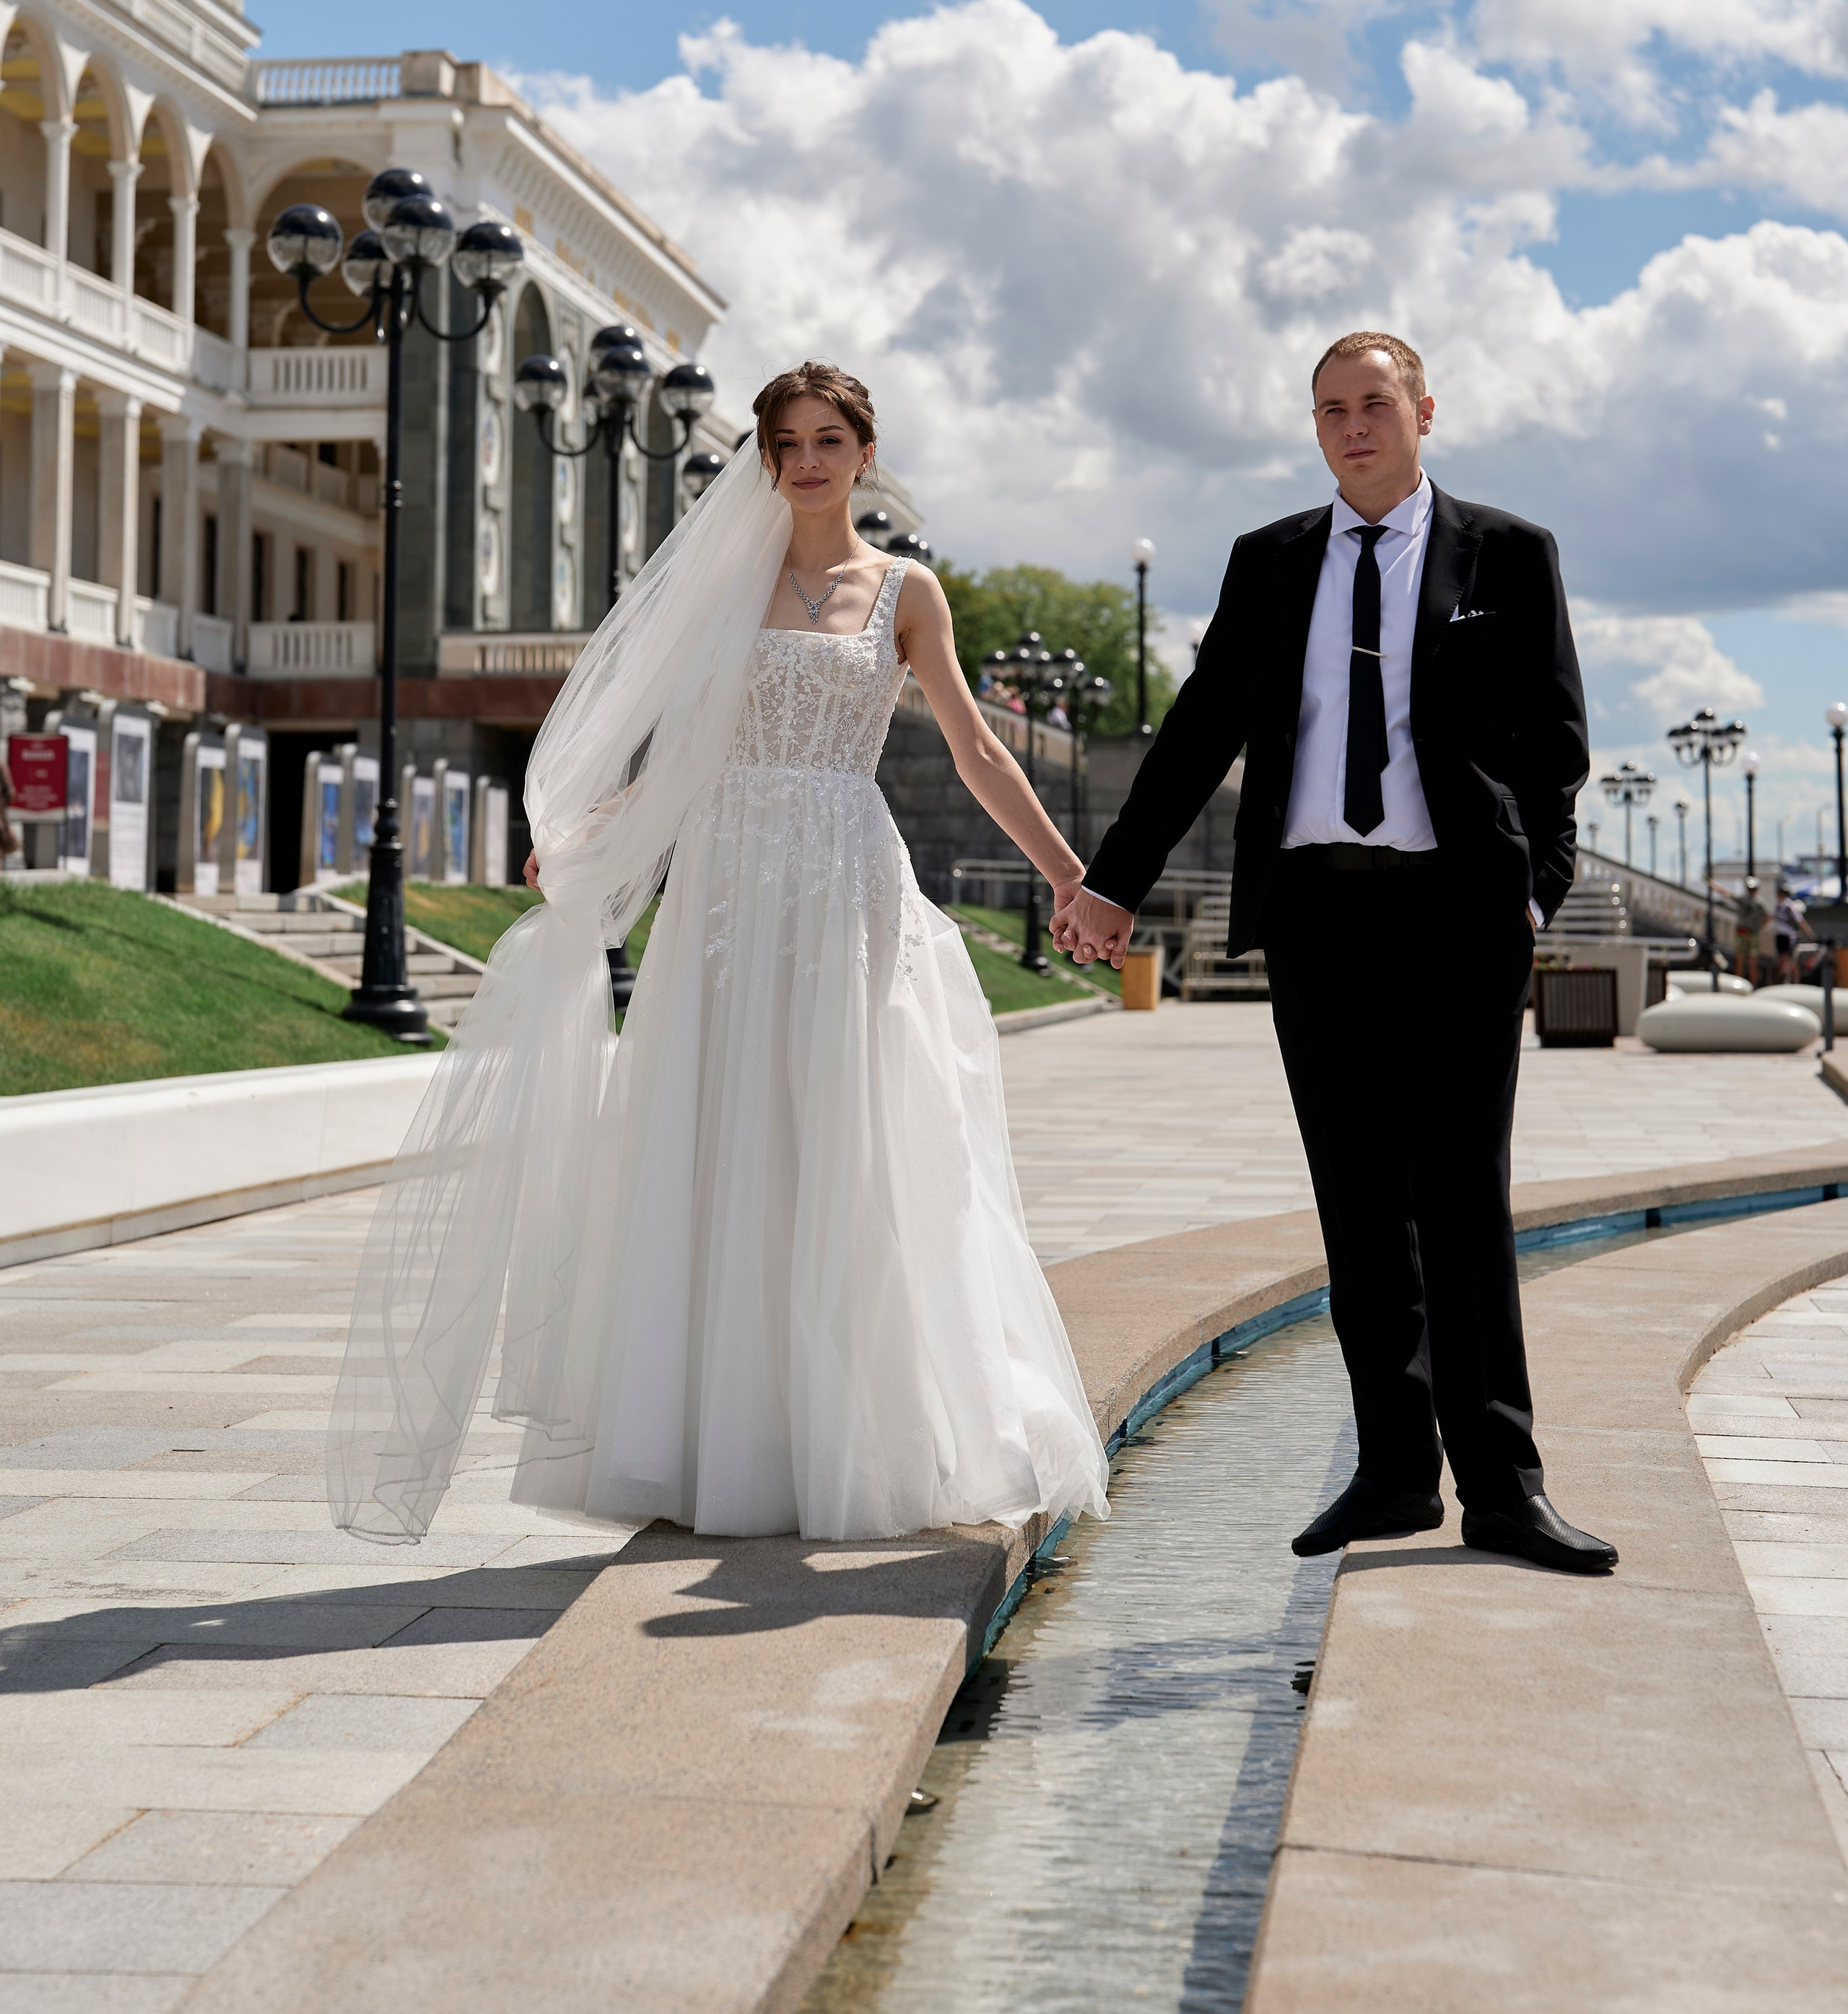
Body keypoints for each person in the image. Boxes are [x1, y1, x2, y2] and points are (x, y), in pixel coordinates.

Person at [328, 361, 1107, 1546]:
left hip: (845, 878)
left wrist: (1066, 872)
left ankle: (861, 1431)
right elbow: (678, 742)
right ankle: (720, 1440)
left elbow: (977, 751)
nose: (809, 460)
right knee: (719, 1127)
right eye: (788, 441)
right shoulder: (729, 582)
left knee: (844, 1132)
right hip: (728, 888)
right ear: (765, 457)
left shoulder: (908, 593)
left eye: (830, 439)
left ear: (866, 453)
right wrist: (595, 830)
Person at [1052, 331, 1615, 1577]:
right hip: (1316, 916)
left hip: (1460, 915)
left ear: (1425, 411)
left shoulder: (1508, 552)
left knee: (1460, 1200)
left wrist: (1538, 894)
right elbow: (1200, 729)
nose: (1353, 428)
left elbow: (1555, 743)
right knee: (1358, 1206)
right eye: (1330, 411)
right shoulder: (1269, 561)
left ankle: (1506, 1487)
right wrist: (1114, 882)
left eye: (1374, 405)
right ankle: (1395, 1474)